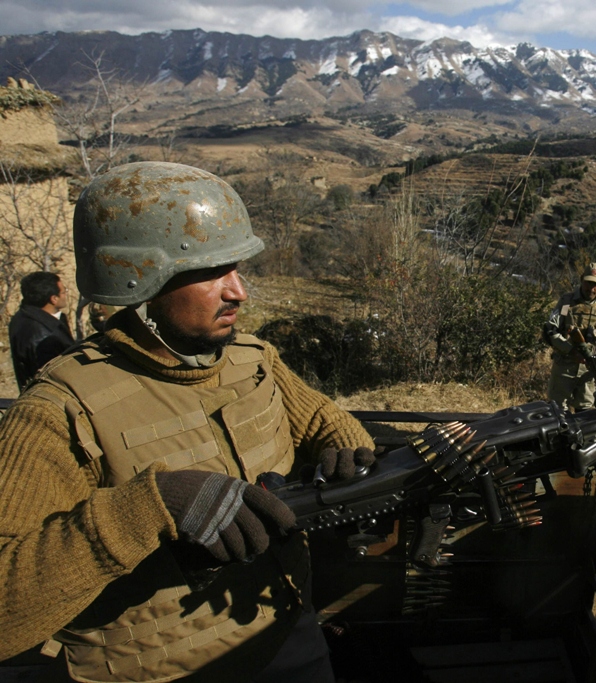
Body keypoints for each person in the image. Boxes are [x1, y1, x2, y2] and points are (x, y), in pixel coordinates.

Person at [0, 162, 377, 682]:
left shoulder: (253, 358)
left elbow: (321, 418)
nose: (239, 291)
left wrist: (347, 446)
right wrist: (147, 508)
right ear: (139, 280)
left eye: (237, 268)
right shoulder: (60, 411)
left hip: (288, 636)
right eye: (211, 272)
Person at [542, 262, 596, 411]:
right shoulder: (567, 303)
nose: (591, 288)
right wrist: (571, 351)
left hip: (589, 370)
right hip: (565, 366)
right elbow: (552, 329)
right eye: (588, 282)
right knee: (556, 411)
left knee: (585, 412)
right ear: (582, 279)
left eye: (595, 284)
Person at [7, 271, 75, 392]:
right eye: (64, 292)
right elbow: (59, 376)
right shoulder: (46, 336)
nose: (66, 295)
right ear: (54, 299)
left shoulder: (22, 316)